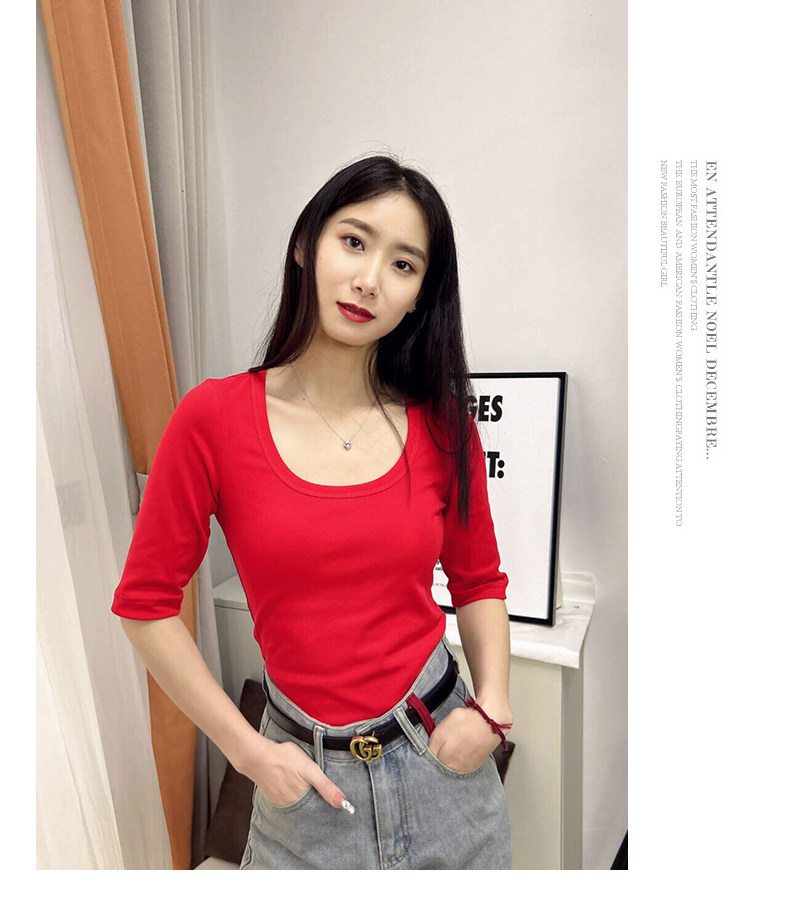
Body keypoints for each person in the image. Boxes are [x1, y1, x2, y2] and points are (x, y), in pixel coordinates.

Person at [112, 154, 514, 870]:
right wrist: (248, 752)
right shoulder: (212, 418)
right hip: (303, 786)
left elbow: (479, 580)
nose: (369, 279)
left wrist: (493, 707)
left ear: (419, 296)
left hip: (443, 763)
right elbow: (145, 606)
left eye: (403, 264)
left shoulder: (443, 424)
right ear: (306, 245)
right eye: (354, 241)